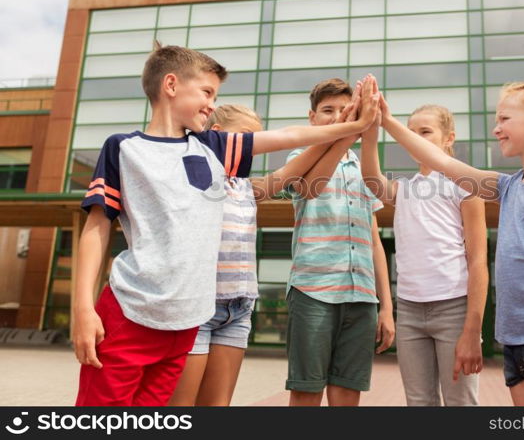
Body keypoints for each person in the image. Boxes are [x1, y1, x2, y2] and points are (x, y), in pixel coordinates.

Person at [72, 44, 378, 406]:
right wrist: (81, 308)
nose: (211, 103)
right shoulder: (122, 148)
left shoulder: (212, 148)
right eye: (206, 92)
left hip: (191, 316)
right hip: (131, 310)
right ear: (171, 84)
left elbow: (288, 139)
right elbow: (97, 227)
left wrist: (353, 127)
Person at [377, 77, 524, 406]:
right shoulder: (508, 186)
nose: (496, 129)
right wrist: (385, 119)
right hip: (518, 344)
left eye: (504, 119)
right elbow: (442, 162)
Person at [169, 100, 362, 406]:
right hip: (197, 308)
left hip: (238, 308)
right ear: (217, 134)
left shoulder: (246, 187)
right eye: (246, 138)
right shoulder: (193, 177)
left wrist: (344, 136)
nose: (250, 149)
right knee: (179, 408)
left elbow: (290, 172)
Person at [360, 95, 488, 406]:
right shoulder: (404, 188)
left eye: (425, 131)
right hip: (410, 311)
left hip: (454, 309)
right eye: (411, 131)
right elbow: (371, 180)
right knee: (419, 402)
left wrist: (473, 328)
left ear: (449, 138)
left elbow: (479, 261)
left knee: (461, 403)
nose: (415, 138)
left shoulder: (466, 185)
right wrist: (371, 125)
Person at [284, 77, 395, 406]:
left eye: (343, 110)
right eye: (327, 110)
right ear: (312, 117)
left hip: (361, 297)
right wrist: (348, 132)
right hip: (313, 292)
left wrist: (386, 307)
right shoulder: (301, 155)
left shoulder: (365, 169)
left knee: (348, 392)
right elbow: (310, 186)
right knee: (307, 390)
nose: (335, 117)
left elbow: (374, 239)